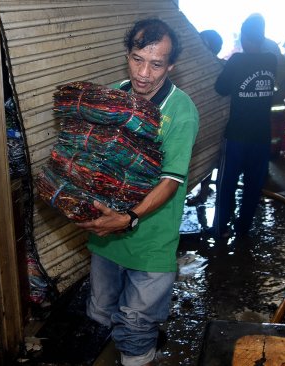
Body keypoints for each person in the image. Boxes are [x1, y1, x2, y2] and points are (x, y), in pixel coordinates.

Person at [76, 17, 199, 366]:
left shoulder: (181, 112)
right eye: (136, 59)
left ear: (170, 65)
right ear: (127, 55)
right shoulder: (115, 97)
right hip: (107, 240)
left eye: (156, 64)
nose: (144, 73)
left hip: (150, 243)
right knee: (100, 314)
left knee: (135, 325)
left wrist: (128, 218)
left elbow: (171, 181)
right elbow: (97, 158)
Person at [210, 13, 277, 240]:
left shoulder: (237, 61)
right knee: (253, 186)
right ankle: (243, 228)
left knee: (226, 184)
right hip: (262, 136)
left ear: (245, 37)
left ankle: (220, 229)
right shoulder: (271, 61)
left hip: (237, 135)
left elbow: (221, 88)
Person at [187, 30, 225, 206]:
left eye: (202, 43)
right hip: (191, 120)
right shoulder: (189, 66)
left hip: (209, 122)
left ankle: (203, 192)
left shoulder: (220, 68)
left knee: (207, 156)